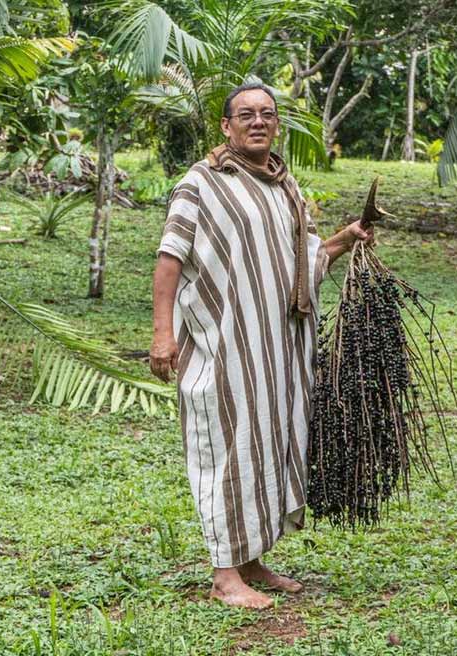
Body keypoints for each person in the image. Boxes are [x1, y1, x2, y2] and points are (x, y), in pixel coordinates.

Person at [149, 82, 373, 609]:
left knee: (264, 448)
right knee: (227, 451)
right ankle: (224, 576)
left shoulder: (285, 186)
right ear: (225, 127)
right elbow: (169, 259)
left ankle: (250, 561)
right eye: (245, 115)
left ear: (277, 127)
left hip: (276, 354)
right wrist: (162, 335)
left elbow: (305, 260)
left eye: (267, 115)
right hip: (223, 349)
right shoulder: (201, 184)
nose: (257, 122)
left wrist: (343, 239)